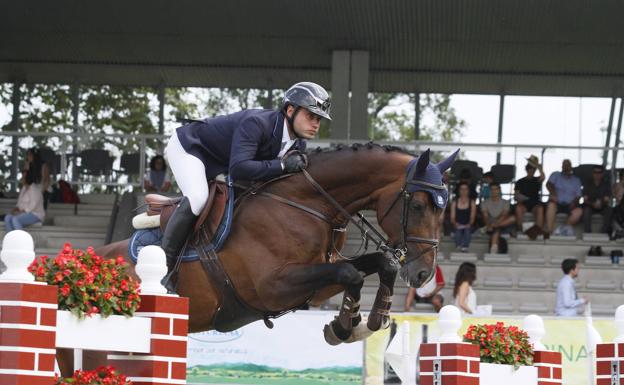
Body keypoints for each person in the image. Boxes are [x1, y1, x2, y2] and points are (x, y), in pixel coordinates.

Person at [162, 82, 331, 276]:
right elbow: (239, 168)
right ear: (291, 110)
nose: (316, 124)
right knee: (198, 197)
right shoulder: (257, 123)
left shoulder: (298, 143)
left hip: (220, 161)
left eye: (319, 119)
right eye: (311, 116)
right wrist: (282, 166)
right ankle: (164, 268)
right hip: (191, 147)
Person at [4, 148, 47, 231]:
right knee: (8, 217)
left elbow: (32, 206)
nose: (21, 179)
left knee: (15, 220)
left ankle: (21, 241)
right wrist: (16, 209)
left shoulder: (35, 189)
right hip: (23, 212)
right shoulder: (24, 188)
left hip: (35, 214)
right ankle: (10, 240)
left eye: (23, 177)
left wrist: (22, 212)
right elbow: (19, 203)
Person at [545, 159, 582, 236]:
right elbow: (548, 184)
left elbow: (578, 196)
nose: (566, 167)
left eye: (567, 165)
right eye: (564, 165)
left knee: (579, 211)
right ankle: (550, 232)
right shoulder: (556, 175)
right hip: (557, 202)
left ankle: (562, 228)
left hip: (570, 204)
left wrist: (574, 202)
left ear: (571, 167)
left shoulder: (576, 180)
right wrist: (553, 193)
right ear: (562, 166)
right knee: (551, 206)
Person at [481, 183, 516, 253]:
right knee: (496, 230)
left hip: (502, 224)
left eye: (496, 189)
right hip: (491, 224)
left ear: (499, 190)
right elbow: (485, 216)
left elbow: (504, 215)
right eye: (492, 189)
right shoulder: (484, 203)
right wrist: (489, 225)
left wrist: (494, 224)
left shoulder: (505, 202)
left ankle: (493, 249)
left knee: (513, 218)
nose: (494, 191)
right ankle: (494, 250)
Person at [514, 155, 545, 233]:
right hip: (523, 204)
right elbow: (516, 196)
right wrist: (522, 198)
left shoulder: (537, 180)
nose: (531, 171)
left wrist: (538, 166)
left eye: (533, 169)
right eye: (529, 169)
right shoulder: (520, 181)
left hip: (535, 204)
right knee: (518, 208)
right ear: (526, 170)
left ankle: (538, 230)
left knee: (540, 208)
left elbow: (543, 177)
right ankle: (521, 230)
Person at [582, 165, 612, 234]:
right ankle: (587, 233)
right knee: (586, 211)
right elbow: (585, 199)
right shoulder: (587, 184)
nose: (597, 174)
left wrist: (601, 203)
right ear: (592, 173)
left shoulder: (606, 184)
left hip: (602, 206)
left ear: (602, 174)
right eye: (595, 172)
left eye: (599, 172)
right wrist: (593, 204)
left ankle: (604, 233)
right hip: (590, 206)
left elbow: (607, 199)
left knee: (610, 210)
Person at [450, 182, 476, 252]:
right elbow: (452, 218)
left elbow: (472, 218)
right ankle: (458, 247)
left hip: (468, 225)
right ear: (459, 191)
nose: (464, 191)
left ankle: (465, 248)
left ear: (468, 191)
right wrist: (455, 224)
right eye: (462, 189)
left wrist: (469, 224)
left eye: (466, 189)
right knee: (458, 231)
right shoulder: (454, 202)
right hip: (457, 225)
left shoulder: (472, 202)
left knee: (467, 231)